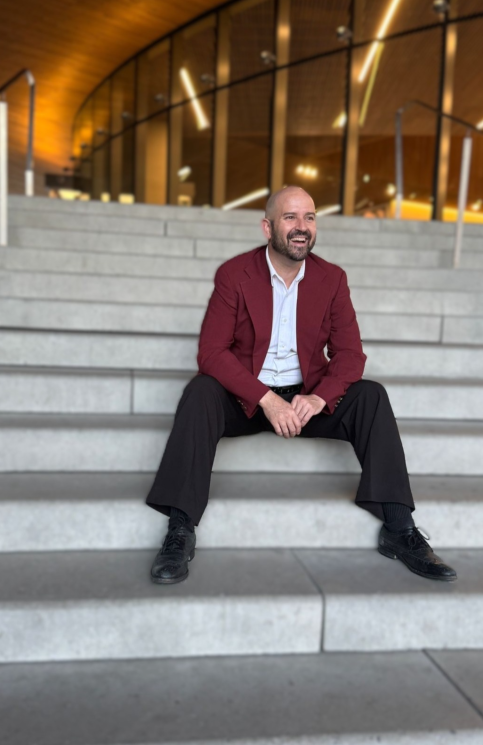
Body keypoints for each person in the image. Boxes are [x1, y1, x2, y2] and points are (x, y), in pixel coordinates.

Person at [146, 186, 457, 585]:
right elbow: (211, 353)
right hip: (247, 398)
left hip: (304, 401)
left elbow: (350, 355)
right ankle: (180, 528)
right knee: (200, 392)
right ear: (267, 227)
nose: (302, 227)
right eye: (290, 217)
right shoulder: (234, 275)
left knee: (371, 396)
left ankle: (399, 529)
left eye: (309, 217)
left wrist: (318, 397)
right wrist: (265, 399)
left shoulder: (332, 279)